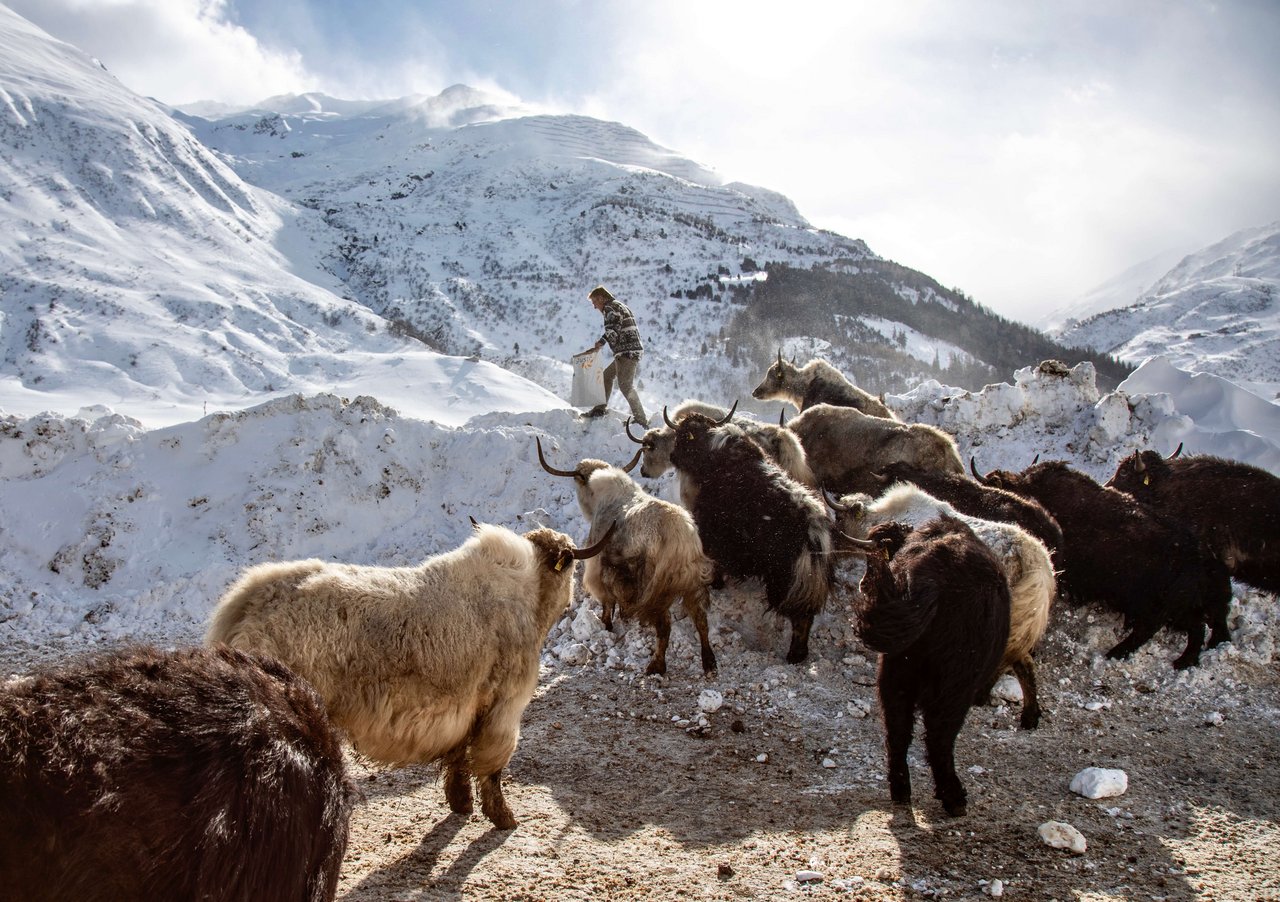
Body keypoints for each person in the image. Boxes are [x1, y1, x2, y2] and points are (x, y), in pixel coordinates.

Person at [575, 285, 648, 426]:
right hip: (629, 351)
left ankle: (641, 420)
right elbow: (615, 327)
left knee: (625, 385)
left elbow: (612, 330)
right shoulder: (618, 306)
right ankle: (599, 409)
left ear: (601, 298)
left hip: (626, 353)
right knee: (606, 377)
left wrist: (601, 343)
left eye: (595, 302)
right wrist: (602, 341)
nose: (595, 307)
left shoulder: (610, 309)